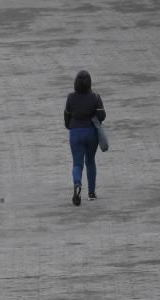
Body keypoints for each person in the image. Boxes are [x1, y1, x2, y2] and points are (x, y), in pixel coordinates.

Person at [64, 70, 106, 206]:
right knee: (90, 161)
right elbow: (102, 116)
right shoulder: (95, 97)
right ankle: (92, 193)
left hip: (75, 132)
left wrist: (70, 127)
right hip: (91, 132)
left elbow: (66, 117)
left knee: (77, 163)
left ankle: (77, 184)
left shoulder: (70, 97)